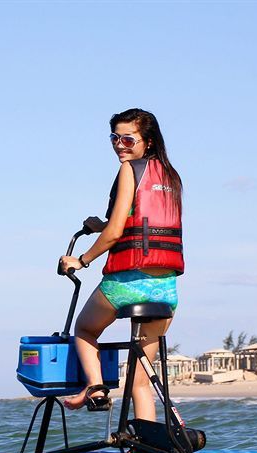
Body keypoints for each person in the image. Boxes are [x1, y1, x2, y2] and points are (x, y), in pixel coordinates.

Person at [58, 108, 184, 420]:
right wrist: (99, 224)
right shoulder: (169, 176)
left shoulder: (130, 170)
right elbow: (137, 222)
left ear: (148, 141)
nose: (119, 146)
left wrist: (81, 261)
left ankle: (96, 389)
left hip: (128, 283)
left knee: (85, 329)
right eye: (114, 138)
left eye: (128, 139)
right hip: (165, 289)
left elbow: (117, 233)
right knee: (140, 382)